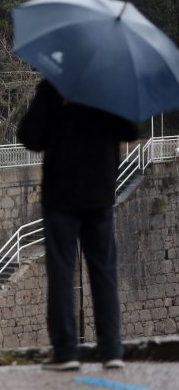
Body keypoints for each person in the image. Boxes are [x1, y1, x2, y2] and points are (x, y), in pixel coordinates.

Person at [17, 79, 138, 371]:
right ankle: (111, 350)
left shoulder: (54, 87)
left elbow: (30, 137)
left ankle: (66, 351)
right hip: (99, 191)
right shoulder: (109, 87)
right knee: (104, 271)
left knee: (61, 272)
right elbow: (130, 130)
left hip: (60, 193)